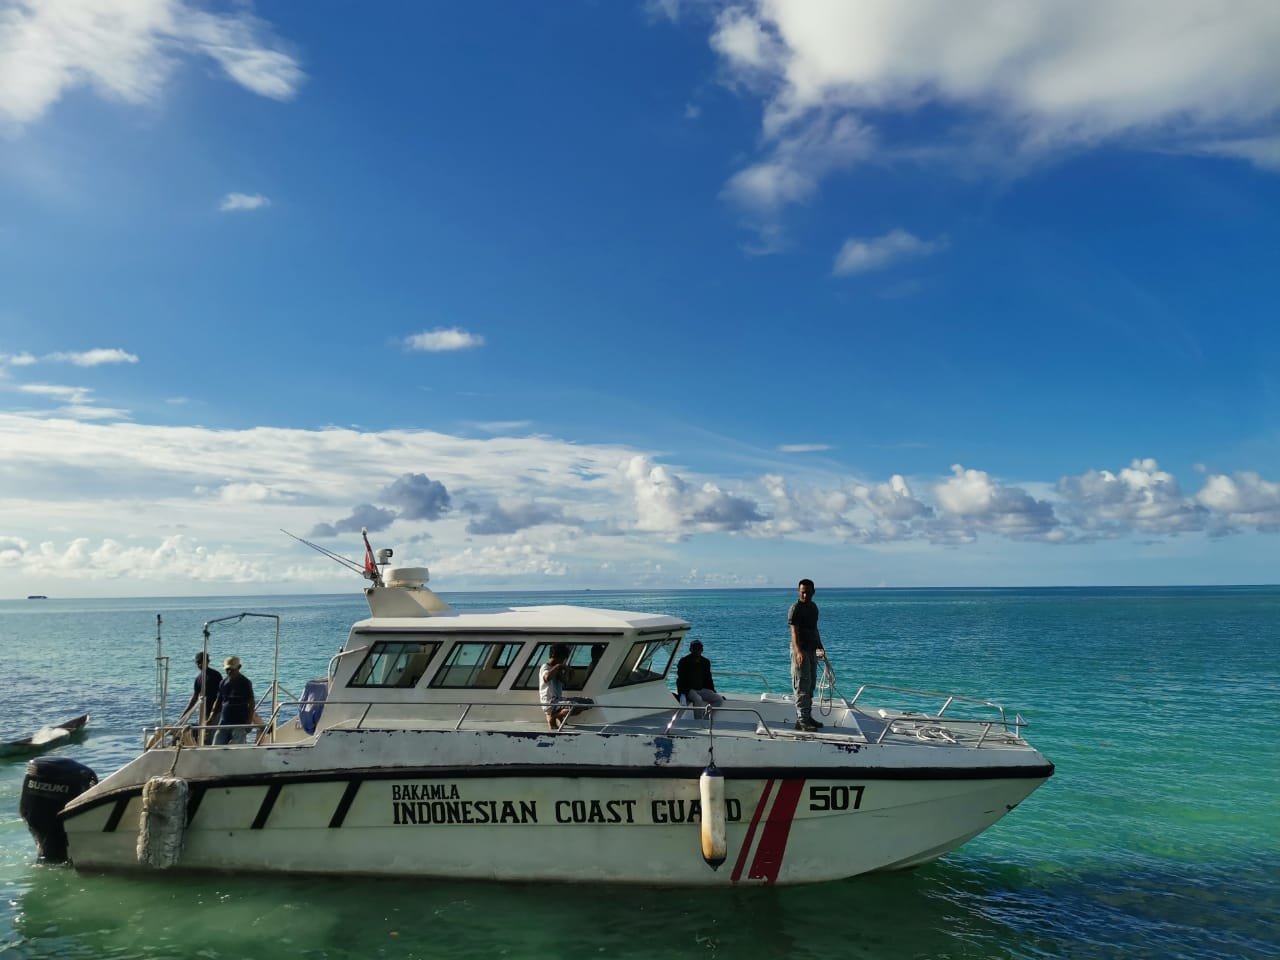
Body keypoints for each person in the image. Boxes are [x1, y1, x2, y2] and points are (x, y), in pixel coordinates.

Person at [788, 578, 826, 731]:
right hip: (801, 650)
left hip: (811, 650)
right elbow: (794, 631)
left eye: (808, 593)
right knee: (802, 685)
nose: (805, 595)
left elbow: (814, 629)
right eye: (803, 592)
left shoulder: (814, 607)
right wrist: (798, 652)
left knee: (810, 684)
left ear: (813, 592)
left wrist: (820, 647)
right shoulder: (795, 608)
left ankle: (807, 717)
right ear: (799, 592)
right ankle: (802, 720)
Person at [212, 656, 256, 745]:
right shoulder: (223, 682)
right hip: (224, 721)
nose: (229, 672)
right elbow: (218, 700)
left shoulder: (245, 682)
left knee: (237, 747)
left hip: (239, 722)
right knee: (216, 744)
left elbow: (251, 702)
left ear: (239, 667)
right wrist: (211, 717)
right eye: (227, 669)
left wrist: (249, 721)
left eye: (232, 669)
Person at [675, 640, 725, 714]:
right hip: (688, 690)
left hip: (701, 689)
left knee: (719, 699)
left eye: (699, 648)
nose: (697, 650)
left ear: (702, 649)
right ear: (690, 649)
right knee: (698, 699)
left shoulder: (705, 662)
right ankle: (697, 721)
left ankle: (706, 716)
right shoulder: (684, 661)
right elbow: (681, 678)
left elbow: (708, 678)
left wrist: (713, 691)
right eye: (695, 648)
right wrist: (682, 693)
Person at [184, 652, 222, 744]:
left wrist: (213, 713)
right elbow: (194, 698)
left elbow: (221, 695)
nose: (200, 664)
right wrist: (185, 715)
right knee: (201, 736)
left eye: (202, 662)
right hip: (203, 712)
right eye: (198, 662)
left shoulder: (216, 675)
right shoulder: (198, 679)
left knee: (210, 738)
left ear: (208, 661)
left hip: (216, 712)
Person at [539, 644, 575, 730]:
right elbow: (547, 678)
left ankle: (556, 716)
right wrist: (558, 666)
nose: (563, 661)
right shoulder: (545, 667)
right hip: (550, 702)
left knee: (584, 704)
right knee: (573, 707)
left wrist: (569, 672)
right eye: (562, 659)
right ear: (556, 656)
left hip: (558, 700)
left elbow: (565, 682)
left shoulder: (556, 670)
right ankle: (553, 716)